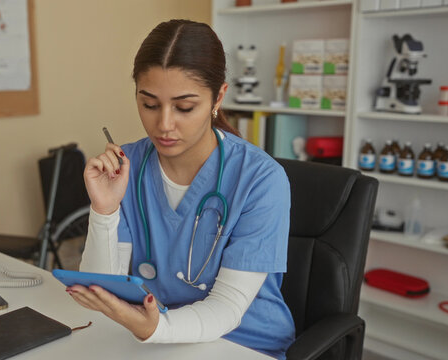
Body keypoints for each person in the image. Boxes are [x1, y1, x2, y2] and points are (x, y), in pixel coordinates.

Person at [69, 19, 295, 359]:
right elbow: (101, 290)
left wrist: (155, 328)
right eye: (149, 104)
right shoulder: (126, 166)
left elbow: (228, 307)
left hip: (242, 345)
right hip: (155, 340)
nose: (164, 125)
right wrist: (104, 211)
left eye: (184, 107)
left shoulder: (260, 179)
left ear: (218, 96)